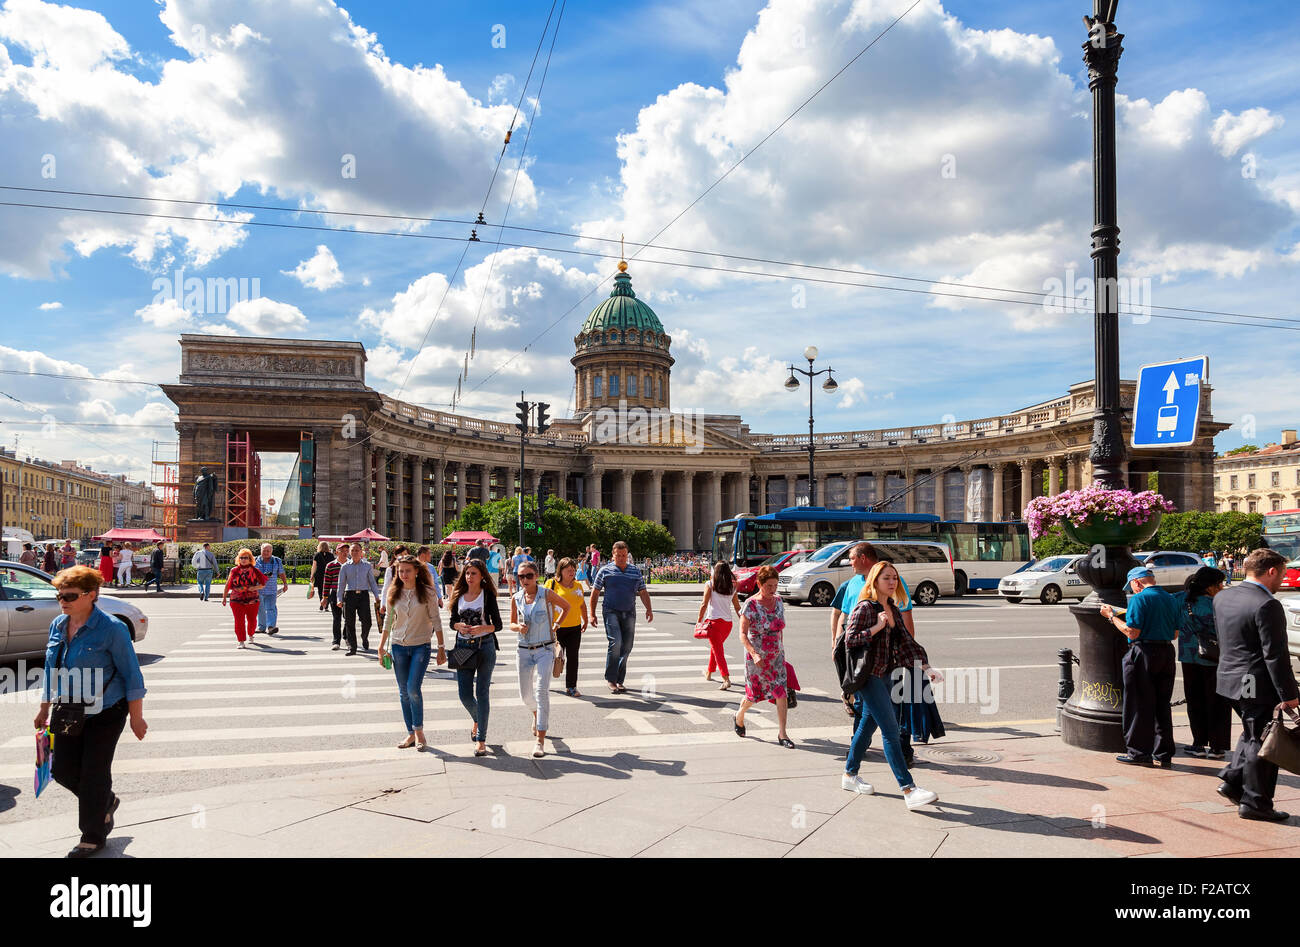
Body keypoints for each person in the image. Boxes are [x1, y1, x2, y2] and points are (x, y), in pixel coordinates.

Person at [33, 565, 148, 857]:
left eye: (70, 595)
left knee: (94, 772)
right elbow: (51, 669)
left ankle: (92, 835)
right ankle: (105, 802)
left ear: (91, 595)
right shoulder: (59, 625)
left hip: (108, 710)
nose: (63, 601)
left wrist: (136, 717)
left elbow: (132, 674)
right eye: (59, 595)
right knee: (61, 770)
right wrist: (44, 706)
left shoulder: (112, 629)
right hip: (69, 709)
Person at [839, 561, 942, 810]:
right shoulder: (865, 608)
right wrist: (876, 627)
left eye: (894, 578)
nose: (892, 582)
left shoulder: (893, 609)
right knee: (891, 730)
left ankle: (849, 776)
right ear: (875, 581)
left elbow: (906, 641)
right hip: (869, 677)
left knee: (866, 727)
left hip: (886, 675)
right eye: (887, 578)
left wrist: (926, 667)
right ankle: (909, 789)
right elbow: (850, 640)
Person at [1212, 548, 1299, 821]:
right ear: (1271, 571)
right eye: (1282, 574)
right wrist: (1290, 694)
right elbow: (1274, 654)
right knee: (1262, 743)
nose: (1282, 580)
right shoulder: (1267, 604)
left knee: (1252, 734)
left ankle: (1232, 781)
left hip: (1228, 678)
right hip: (1254, 682)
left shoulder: (1224, 596)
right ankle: (1256, 803)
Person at [829, 542, 923, 762]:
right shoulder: (851, 585)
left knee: (894, 706)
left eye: (851, 558)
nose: (849, 562)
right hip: (863, 662)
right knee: (863, 709)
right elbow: (842, 616)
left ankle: (902, 752)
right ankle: (857, 754)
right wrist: (835, 644)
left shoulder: (893, 585)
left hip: (891, 661)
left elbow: (906, 622)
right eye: (888, 578)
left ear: (863, 558)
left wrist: (908, 657)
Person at [1101, 567, 1180, 768]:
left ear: (1137, 582)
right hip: (1166, 652)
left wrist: (1111, 617)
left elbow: (1132, 631)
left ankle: (1139, 753)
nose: (1133, 590)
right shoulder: (1171, 598)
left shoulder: (1139, 599)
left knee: (1138, 704)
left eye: (1132, 587)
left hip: (1143, 653)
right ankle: (1163, 753)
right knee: (1162, 705)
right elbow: (1175, 634)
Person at [378, 555, 446, 751]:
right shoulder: (394, 591)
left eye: (408, 570)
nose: (404, 575)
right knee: (403, 692)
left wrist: (441, 648)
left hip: (421, 646)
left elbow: (436, 620)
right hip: (398, 646)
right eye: (400, 571)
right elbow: (388, 621)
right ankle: (410, 733)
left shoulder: (427, 592)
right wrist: (381, 647)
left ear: (417, 571)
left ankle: (419, 731)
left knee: (413, 688)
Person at [510, 559, 573, 758]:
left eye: (529, 575)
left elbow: (566, 607)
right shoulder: (517, 598)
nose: (525, 579)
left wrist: (556, 625)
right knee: (525, 695)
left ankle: (540, 740)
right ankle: (536, 714)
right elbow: (511, 623)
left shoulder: (545, 594)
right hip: (523, 649)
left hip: (545, 649)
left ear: (536, 576)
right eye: (521, 576)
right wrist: (518, 628)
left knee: (541, 691)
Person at [1173, 566, 1231, 760]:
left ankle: (1198, 744)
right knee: (1217, 703)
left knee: (1195, 701)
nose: (1222, 588)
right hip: (1215, 658)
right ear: (1210, 586)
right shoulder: (1218, 603)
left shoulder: (1181, 599)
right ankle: (1217, 747)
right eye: (1219, 584)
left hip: (1189, 657)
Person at [733, 566, 794, 747]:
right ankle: (739, 715)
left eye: (775, 585)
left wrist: (781, 651)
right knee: (753, 695)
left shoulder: (779, 601)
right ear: (759, 584)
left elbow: (780, 629)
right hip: (756, 657)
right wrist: (754, 653)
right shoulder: (751, 605)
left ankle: (782, 734)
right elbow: (742, 634)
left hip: (776, 656)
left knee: (781, 692)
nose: (772, 589)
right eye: (769, 586)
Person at [449, 559, 503, 757]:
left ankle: (481, 739)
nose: (469, 577)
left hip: (485, 646)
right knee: (464, 694)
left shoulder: (487, 595)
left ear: (482, 576)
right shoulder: (458, 595)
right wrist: (457, 626)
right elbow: (452, 622)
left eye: (473, 573)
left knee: (482, 693)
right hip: (463, 646)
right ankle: (478, 718)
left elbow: (498, 624)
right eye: (467, 573)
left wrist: (484, 628)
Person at [590, 541, 653, 694]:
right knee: (615, 642)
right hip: (610, 611)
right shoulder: (605, 571)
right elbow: (595, 592)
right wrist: (591, 614)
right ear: (613, 555)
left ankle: (619, 679)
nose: (621, 558)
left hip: (629, 612)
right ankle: (611, 679)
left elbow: (643, 591)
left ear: (627, 555)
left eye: (624, 555)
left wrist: (649, 609)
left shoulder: (635, 571)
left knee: (627, 646)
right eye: (618, 555)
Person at [547, 557, 589, 697]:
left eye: (573, 570)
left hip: (574, 628)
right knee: (551, 658)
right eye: (568, 570)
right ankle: (544, 682)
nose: (571, 573)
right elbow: (542, 603)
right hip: (556, 628)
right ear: (561, 570)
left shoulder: (578, 586)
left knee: (573, 657)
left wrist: (586, 619)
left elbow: (582, 604)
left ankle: (571, 686)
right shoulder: (551, 584)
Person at [698, 561, 741, 690]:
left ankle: (726, 678)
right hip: (727, 624)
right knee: (716, 648)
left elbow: (704, 604)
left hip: (713, 623)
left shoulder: (710, 584)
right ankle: (709, 673)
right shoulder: (732, 587)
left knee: (718, 651)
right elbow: (737, 607)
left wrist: (699, 621)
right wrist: (743, 620)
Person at [337, 543, 381, 655]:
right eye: (352, 550)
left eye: (357, 550)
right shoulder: (345, 566)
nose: (355, 552)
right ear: (349, 552)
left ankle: (364, 637)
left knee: (367, 622)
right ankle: (352, 647)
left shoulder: (367, 566)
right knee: (349, 622)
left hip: (363, 595)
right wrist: (339, 599)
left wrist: (377, 596)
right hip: (349, 595)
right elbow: (341, 584)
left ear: (361, 552)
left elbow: (372, 582)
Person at [221, 548, 268, 648]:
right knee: (239, 621)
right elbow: (228, 584)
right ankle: (241, 641)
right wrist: (224, 597)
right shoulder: (234, 570)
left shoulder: (255, 571)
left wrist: (254, 588)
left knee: (252, 620)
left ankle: (251, 634)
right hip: (236, 599)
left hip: (252, 599)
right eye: (241, 558)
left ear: (250, 559)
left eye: (245, 558)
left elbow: (262, 584)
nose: (243, 560)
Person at [253, 543, 288, 635]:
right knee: (260, 609)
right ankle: (261, 627)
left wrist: (285, 584)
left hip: (272, 589)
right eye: (264, 550)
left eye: (268, 551)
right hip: (258, 589)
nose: (266, 552)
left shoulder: (277, 561)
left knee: (271, 608)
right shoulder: (255, 560)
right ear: (261, 551)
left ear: (271, 551)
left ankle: (271, 627)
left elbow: (281, 573)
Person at [321, 543, 349, 650]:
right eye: (342, 551)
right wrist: (324, 597)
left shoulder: (351, 564)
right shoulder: (331, 565)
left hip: (348, 593)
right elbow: (326, 582)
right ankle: (336, 641)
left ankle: (346, 637)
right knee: (336, 618)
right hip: (334, 593)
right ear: (336, 552)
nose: (344, 553)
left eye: (346, 550)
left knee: (348, 618)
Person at [378, 545, 411, 626]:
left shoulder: (414, 568)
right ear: (395, 556)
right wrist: (383, 604)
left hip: (411, 603)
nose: (403, 556)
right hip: (397, 604)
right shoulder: (390, 569)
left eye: (406, 554)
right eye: (400, 554)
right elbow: (386, 588)